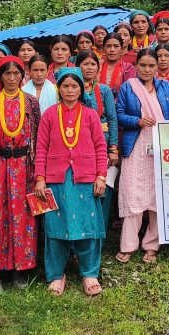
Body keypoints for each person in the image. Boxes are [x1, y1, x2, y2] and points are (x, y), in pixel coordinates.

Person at [34, 67, 108, 296]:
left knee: (87, 226)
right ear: (59, 88)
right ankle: (56, 275)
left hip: (84, 178)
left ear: (81, 88)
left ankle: (89, 273)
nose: (69, 90)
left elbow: (100, 147)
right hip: (55, 179)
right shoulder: (49, 114)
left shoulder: (90, 114)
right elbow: (41, 149)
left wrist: (101, 176)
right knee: (56, 228)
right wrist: (39, 179)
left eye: (74, 86)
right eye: (65, 86)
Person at [0, 56, 41, 292]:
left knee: (23, 217)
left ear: (22, 76)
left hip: (24, 167)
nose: (11, 78)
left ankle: (20, 270)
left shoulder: (31, 102)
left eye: (16, 74)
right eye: (7, 74)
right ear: (0, 76)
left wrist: (38, 171)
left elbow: (39, 137)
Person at [116, 49, 169, 265]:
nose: (147, 69)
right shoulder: (128, 87)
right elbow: (119, 114)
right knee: (132, 194)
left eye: (151, 65)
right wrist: (138, 121)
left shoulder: (166, 88)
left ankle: (152, 246)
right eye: (143, 65)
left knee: (156, 196)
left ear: (157, 67)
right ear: (136, 66)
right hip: (135, 146)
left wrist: (166, 137)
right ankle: (128, 245)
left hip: (159, 146)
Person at [76, 50, 119, 227]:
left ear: (98, 67)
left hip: (102, 144)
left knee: (102, 189)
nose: (89, 67)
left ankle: (98, 234)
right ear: (77, 66)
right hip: (78, 146)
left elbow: (112, 118)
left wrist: (113, 148)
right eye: (85, 64)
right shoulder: (71, 88)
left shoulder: (103, 90)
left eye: (93, 64)